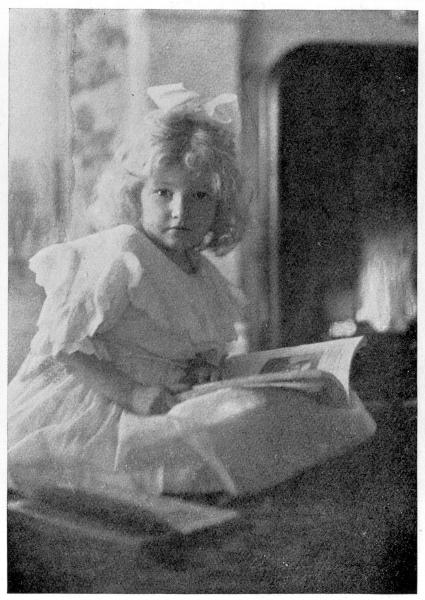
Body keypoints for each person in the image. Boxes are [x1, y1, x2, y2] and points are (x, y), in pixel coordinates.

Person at [8, 84, 375, 500]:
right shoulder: (122, 252)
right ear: (135, 194)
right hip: (106, 401)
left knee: (310, 402)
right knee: (229, 426)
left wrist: (215, 371)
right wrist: (134, 394)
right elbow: (64, 349)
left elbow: (197, 349)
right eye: (163, 193)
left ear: (219, 207)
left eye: (200, 196)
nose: (180, 210)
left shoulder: (202, 274)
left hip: (171, 396)